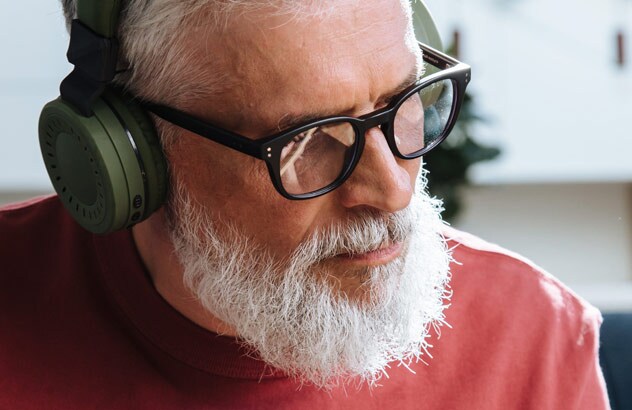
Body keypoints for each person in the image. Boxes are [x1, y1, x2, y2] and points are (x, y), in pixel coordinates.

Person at [0, 0, 610, 408]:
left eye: (407, 97)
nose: (394, 190)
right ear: (134, 151)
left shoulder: (540, 342)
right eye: (307, 140)